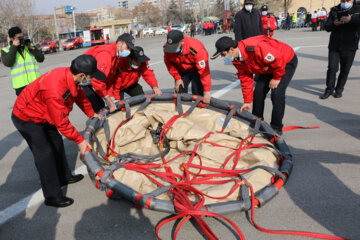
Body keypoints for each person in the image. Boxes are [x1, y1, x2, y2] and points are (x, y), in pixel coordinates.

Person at [12, 55, 105, 208]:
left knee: (56, 142)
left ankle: (64, 177)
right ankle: (52, 196)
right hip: (26, 117)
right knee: (45, 154)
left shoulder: (70, 78)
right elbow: (62, 123)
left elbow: (79, 96)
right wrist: (80, 140)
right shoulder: (56, 89)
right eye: (90, 76)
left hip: (43, 113)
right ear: (82, 75)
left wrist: (90, 113)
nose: (92, 79)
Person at [211, 36, 298, 135]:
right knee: (258, 94)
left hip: (284, 61)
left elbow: (278, 59)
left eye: (223, 54)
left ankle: (276, 128)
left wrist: (277, 78)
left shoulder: (255, 47)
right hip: (266, 66)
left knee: (277, 94)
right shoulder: (237, 59)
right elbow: (246, 79)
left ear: (231, 49)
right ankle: (257, 123)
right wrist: (247, 101)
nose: (222, 57)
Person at [83, 33, 137, 112]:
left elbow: (108, 79)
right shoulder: (106, 54)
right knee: (97, 107)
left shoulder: (116, 57)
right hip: (82, 81)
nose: (129, 51)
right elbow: (97, 80)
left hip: (90, 81)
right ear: (119, 43)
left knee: (101, 105)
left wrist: (111, 97)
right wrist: (108, 99)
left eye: (130, 49)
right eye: (127, 47)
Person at [320, 0, 360, 99]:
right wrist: (334, 23)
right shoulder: (334, 10)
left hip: (350, 45)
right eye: (343, 0)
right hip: (335, 45)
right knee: (332, 68)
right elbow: (327, 27)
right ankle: (329, 89)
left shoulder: (358, 8)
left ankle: (339, 89)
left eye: (347, 0)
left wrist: (351, 19)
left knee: (345, 69)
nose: (345, 2)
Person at [163, 30, 211, 104]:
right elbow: (169, 64)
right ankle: (182, 109)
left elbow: (204, 71)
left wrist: (207, 91)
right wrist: (177, 78)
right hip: (182, 69)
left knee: (197, 93)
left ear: (182, 41)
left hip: (196, 70)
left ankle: (197, 109)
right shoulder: (168, 48)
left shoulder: (196, 48)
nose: (172, 50)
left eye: (175, 46)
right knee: (180, 91)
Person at [1, 26, 44, 96]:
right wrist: (14, 47)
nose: (21, 39)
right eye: (19, 38)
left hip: (35, 83)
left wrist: (32, 48)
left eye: (22, 37)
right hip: (21, 87)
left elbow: (41, 59)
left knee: (40, 106)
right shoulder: (6, 50)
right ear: (12, 39)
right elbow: (8, 63)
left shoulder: (29, 46)